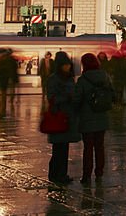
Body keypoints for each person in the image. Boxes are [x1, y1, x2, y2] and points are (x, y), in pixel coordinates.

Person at [75, 53, 113, 185]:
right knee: (100, 146)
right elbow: (112, 94)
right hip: (102, 117)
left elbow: (77, 99)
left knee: (88, 148)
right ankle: (99, 172)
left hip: (87, 118)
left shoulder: (82, 80)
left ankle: (86, 175)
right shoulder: (105, 77)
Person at [46, 51, 80, 185]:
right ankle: (55, 174)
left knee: (64, 147)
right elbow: (51, 97)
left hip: (69, 116)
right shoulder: (53, 79)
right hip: (58, 116)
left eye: (69, 65)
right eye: (65, 65)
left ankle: (63, 174)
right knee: (58, 148)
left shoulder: (70, 78)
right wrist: (67, 97)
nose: (68, 67)